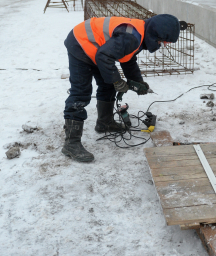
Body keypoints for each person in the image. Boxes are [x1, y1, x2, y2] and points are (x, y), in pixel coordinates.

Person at [62, 14, 183, 163]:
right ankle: (71, 143)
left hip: (97, 48)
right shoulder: (131, 37)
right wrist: (117, 80)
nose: (164, 44)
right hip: (80, 43)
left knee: (107, 85)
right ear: (156, 34)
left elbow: (128, 59)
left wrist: (137, 82)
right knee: (81, 92)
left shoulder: (140, 33)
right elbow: (104, 56)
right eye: (163, 41)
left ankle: (104, 123)